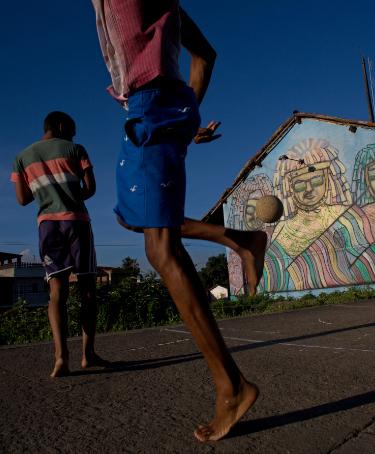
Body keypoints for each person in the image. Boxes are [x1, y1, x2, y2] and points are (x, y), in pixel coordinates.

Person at [91, 0, 259, 441]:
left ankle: (232, 387)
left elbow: (203, 57)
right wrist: (185, 119)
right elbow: (205, 55)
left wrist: (176, 118)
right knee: (133, 218)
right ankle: (240, 239)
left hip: (152, 109)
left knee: (160, 248)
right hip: (153, 109)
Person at [11, 111, 105, 377]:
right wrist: (69, 194)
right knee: (87, 289)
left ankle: (61, 358)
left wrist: (46, 190)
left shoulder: (22, 157)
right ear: (62, 125)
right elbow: (91, 188)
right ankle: (88, 355)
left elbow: (22, 199)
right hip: (77, 222)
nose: (74, 135)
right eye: (72, 130)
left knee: (57, 293)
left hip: (47, 226)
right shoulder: (75, 149)